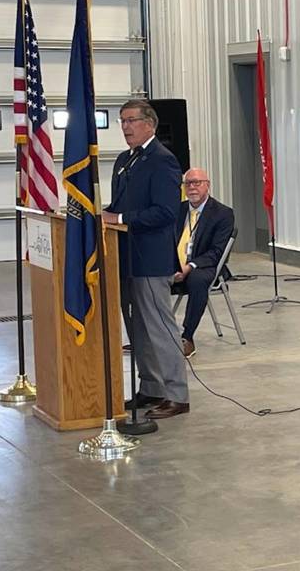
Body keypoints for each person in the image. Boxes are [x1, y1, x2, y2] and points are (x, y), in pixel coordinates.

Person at [102, 99, 189, 420]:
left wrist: (119, 217)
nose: (125, 127)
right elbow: (120, 204)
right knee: (137, 328)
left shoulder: (163, 161)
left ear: (149, 124)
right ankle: (151, 387)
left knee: (159, 327)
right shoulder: (126, 160)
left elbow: (165, 212)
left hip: (151, 258)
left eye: (131, 120)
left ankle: (177, 393)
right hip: (124, 257)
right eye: (122, 121)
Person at [171, 168, 235, 358]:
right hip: (175, 263)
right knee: (146, 278)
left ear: (208, 185)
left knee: (197, 280)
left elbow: (216, 252)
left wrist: (189, 267)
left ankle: (187, 337)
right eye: (188, 183)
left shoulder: (223, 213)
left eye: (197, 183)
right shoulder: (177, 210)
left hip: (204, 265)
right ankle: (152, 336)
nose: (192, 187)